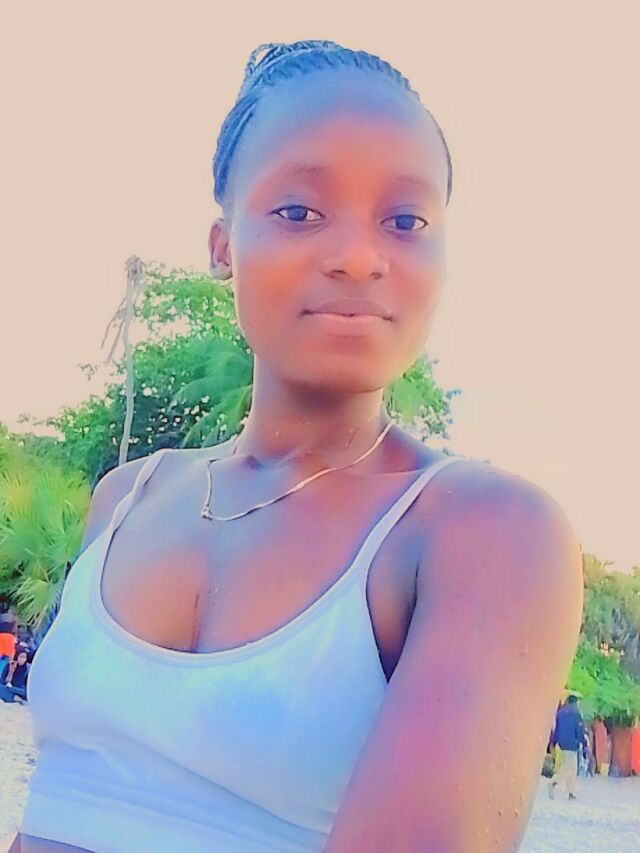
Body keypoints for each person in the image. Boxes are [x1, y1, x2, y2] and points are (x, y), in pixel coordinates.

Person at [13, 40, 583, 853]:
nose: (357, 257)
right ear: (223, 247)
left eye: (405, 221)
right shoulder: (128, 496)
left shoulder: (482, 533)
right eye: (299, 212)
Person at [548, 694, 585, 800]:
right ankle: (554, 781)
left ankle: (571, 792)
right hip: (572, 743)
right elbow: (579, 729)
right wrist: (582, 742)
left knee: (572, 768)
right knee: (569, 767)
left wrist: (553, 742)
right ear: (575, 702)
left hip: (562, 743)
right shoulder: (576, 713)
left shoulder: (560, 713)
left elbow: (557, 729)